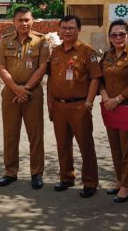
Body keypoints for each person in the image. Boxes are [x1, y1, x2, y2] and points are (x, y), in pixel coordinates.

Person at [46, 15, 102, 198]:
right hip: (59, 106)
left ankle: (90, 181)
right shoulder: (54, 51)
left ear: (79, 30)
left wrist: (89, 102)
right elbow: (51, 80)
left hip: (79, 106)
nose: (67, 31)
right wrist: (50, 105)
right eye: (64, 28)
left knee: (85, 145)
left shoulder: (88, 51)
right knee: (63, 145)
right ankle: (66, 177)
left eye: (71, 28)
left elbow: (95, 78)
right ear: (59, 30)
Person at [0, 6, 49, 189]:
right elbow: (1, 67)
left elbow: (43, 67)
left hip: (32, 93)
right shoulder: (5, 41)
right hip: (10, 92)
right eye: (20, 20)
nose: (24, 23)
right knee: (10, 134)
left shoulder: (41, 41)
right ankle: (10, 172)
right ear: (14, 22)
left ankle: (36, 173)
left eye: (27, 19)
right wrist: (16, 89)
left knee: (35, 135)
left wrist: (25, 89)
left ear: (32, 20)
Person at [98, 19, 128, 203]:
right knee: (115, 147)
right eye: (114, 34)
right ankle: (120, 180)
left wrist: (117, 99)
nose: (118, 37)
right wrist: (105, 97)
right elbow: (99, 77)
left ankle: (127, 185)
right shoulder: (107, 56)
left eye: (121, 34)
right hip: (110, 107)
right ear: (109, 38)